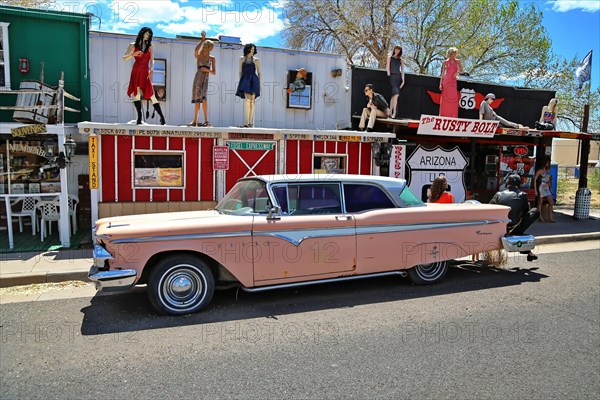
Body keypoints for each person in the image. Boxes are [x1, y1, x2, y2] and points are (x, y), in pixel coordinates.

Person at [490, 173, 540, 261]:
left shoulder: (498, 194)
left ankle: (528, 251)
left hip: (498, 227)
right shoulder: (522, 195)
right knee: (535, 211)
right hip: (514, 228)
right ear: (519, 184)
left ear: (507, 183)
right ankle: (527, 250)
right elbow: (526, 212)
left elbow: (489, 208)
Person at [123, 27, 166, 125]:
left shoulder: (149, 46)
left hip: (145, 71)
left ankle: (162, 118)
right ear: (142, 33)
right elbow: (124, 57)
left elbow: (152, 60)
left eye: (149, 35)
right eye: (146, 34)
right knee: (137, 94)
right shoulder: (133, 45)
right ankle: (139, 117)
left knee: (151, 94)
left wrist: (152, 68)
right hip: (137, 70)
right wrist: (133, 54)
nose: (147, 36)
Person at [190, 32, 216, 127]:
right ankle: (195, 121)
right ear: (207, 47)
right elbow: (196, 50)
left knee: (204, 99)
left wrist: (207, 70)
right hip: (198, 78)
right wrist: (202, 40)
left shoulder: (212, 58)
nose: (212, 48)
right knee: (197, 100)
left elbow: (214, 72)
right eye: (211, 46)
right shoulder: (199, 56)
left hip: (205, 79)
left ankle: (206, 121)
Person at [236, 43, 261, 128]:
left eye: (254, 50)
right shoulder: (242, 59)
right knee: (247, 100)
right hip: (245, 80)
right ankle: (246, 122)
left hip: (254, 80)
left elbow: (259, 73)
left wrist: (260, 84)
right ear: (247, 49)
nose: (252, 51)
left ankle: (250, 122)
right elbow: (240, 71)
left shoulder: (256, 60)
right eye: (251, 49)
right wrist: (241, 81)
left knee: (252, 102)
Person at [439, 47, 464, 118]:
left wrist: (457, 72)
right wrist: (440, 84)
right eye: (454, 53)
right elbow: (443, 73)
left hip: (453, 81)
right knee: (445, 99)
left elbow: (462, 71)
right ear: (450, 53)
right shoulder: (445, 62)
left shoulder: (458, 61)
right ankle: (443, 115)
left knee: (453, 98)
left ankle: (453, 115)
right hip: (446, 81)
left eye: (455, 53)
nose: (455, 54)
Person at [386, 45, 405, 119]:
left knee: (394, 95)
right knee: (396, 94)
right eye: (396, 49)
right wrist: (389, 75)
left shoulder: (401, 60)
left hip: (398, 77)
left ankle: (390, 112)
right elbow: (387, 67)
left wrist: (403, 80)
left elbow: (402, 71)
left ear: (400, 51)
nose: (397, 51)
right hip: (392, 77)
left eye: (398, 50)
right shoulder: (389, 58)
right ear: (394, 49)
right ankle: (394, 112)